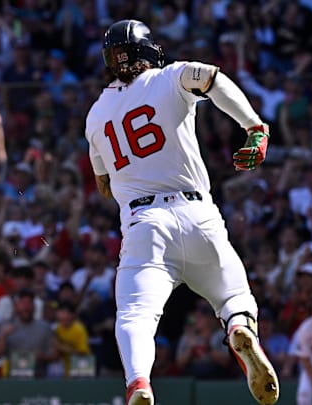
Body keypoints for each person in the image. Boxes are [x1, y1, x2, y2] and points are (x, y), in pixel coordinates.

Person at [84, 19, 278, 405]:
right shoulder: (170, 76)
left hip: (144, 224)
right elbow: (213, 78)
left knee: (135, 316)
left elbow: (103, 184)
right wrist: (255, 128)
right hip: (197, 213)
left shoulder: (95, 115)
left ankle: (139, 382)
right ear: (146, 50)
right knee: (234, 296)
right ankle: (238, 326)